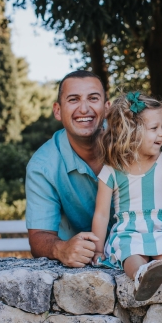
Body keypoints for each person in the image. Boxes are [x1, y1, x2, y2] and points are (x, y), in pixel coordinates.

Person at [91, 92, 162, 318]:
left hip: (158, 227)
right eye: (154, 128)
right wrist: (98, 249)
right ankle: (142, 275)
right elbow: (101, 215)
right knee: (130, 253)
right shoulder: (112, 169)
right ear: (131, 131)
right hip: (126, 230)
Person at [26, 70, 111, 268]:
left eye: (93, 98)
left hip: (139, 254)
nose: (84, 108)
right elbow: (39, 235)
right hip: (80, 264)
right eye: (73, 99)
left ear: (107, 107)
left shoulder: (131, 143)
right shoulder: (42, 166)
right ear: (57, 110)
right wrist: (60, 249)